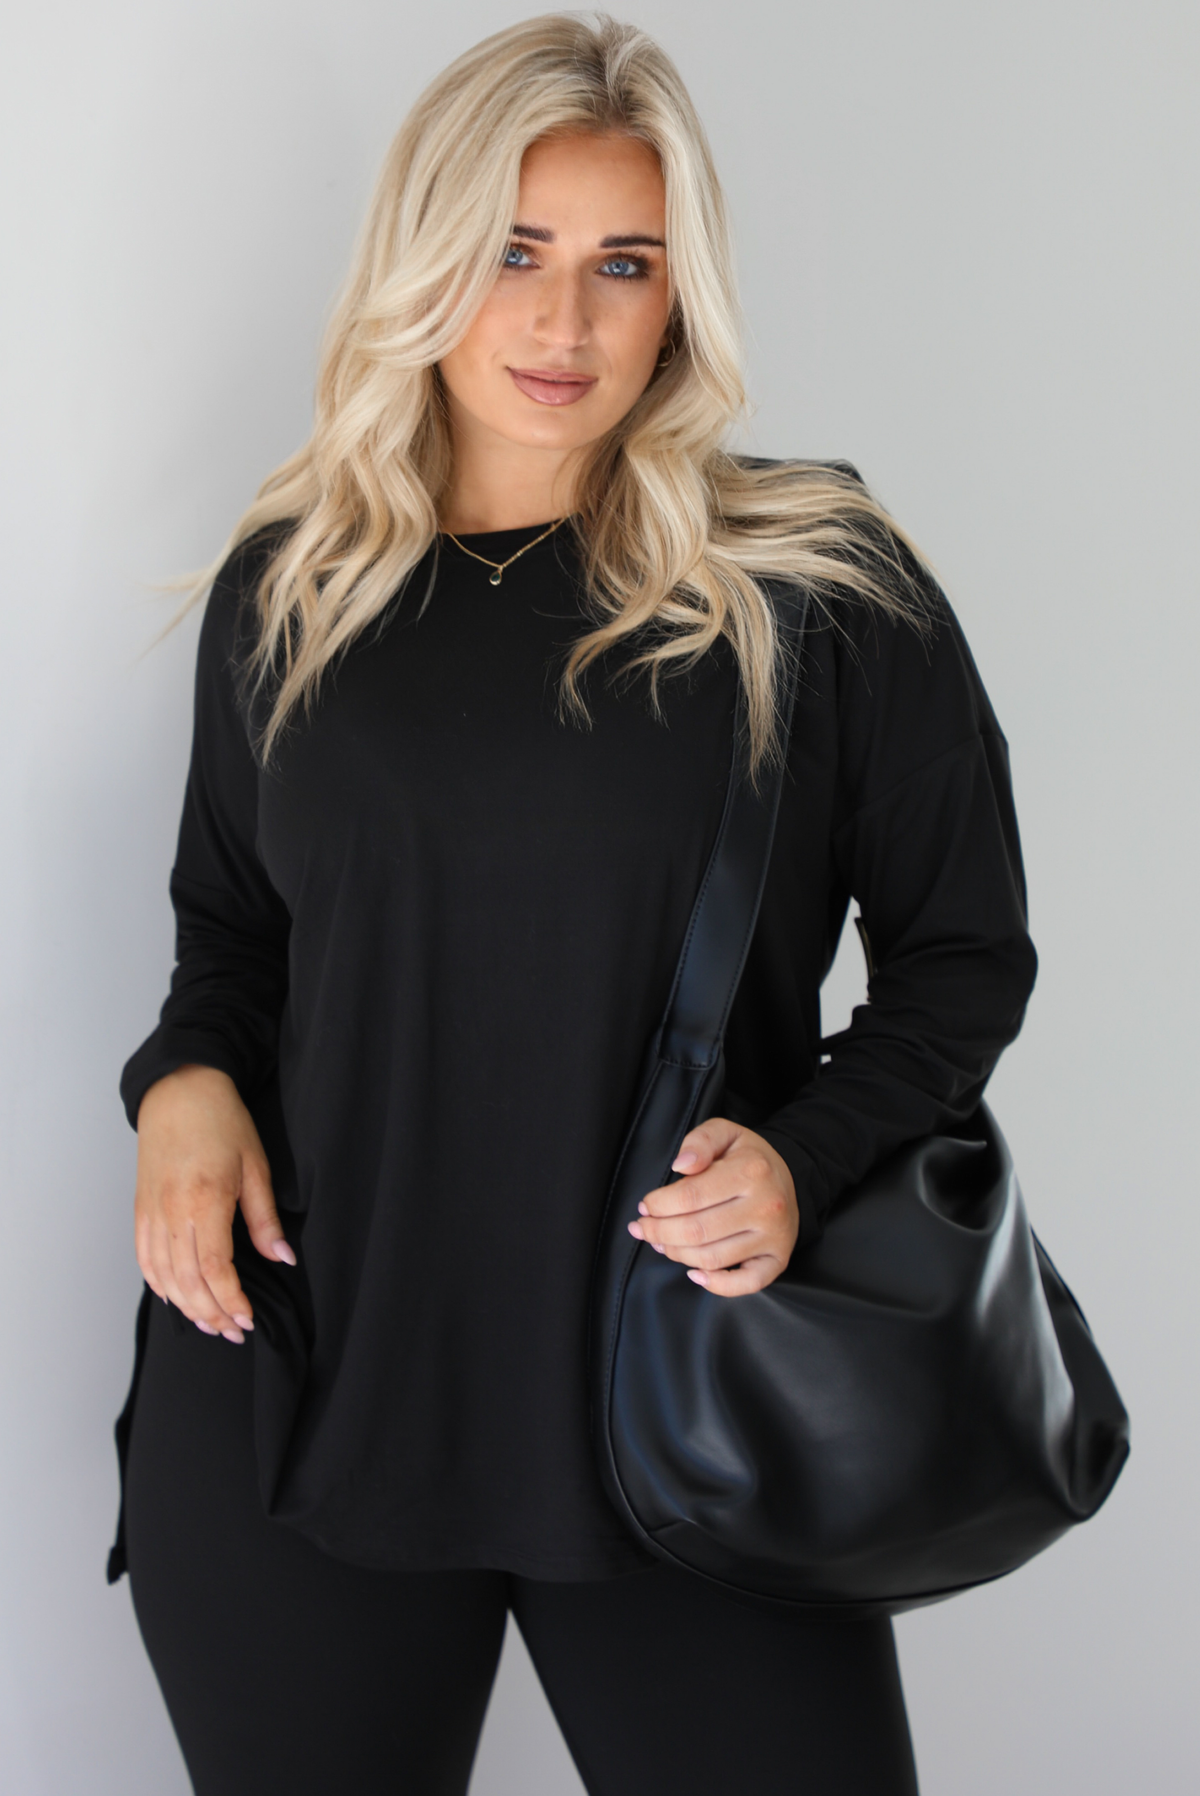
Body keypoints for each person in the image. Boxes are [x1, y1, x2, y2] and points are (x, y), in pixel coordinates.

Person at [109, 13, 1037, 1795]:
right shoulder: (291, 591)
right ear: (423, 260)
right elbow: (228, 939)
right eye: (514, 255)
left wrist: (804, 1151)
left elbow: (962, 953)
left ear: (682, 297)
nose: (563, 323)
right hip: (298, 1376)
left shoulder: (817, 585)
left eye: (626, 265)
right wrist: (182, 1091)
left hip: (688, 1401)